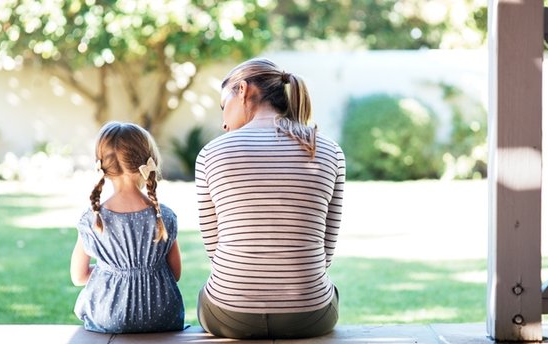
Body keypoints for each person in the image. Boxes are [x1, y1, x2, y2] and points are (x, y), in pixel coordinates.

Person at [194, 58, 346, 339]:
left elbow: (214, 251)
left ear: (242, 90)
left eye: (222, 106)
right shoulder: (329, 150)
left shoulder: (211, 153)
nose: (223, 122)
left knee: (207, 294)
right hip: (309, 315)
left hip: (230, 315)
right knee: (329, 291)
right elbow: (326, 250)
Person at [70, 121, 185, 333]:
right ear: (148, 162)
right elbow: (175, 273)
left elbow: (78, 277)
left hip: (109, 317)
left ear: (102, 166)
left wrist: (111, 270)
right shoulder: (164, 216)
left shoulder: (92, 219)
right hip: (162, 315)